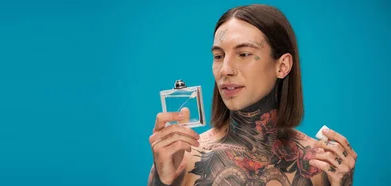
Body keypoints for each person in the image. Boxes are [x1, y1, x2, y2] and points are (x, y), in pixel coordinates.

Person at [147, 4, 357, 186]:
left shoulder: (319, 164)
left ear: (282, 66)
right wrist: (161, 182)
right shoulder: (185, 160)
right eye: (218, 56)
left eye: (244, 54)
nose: (225, 70)